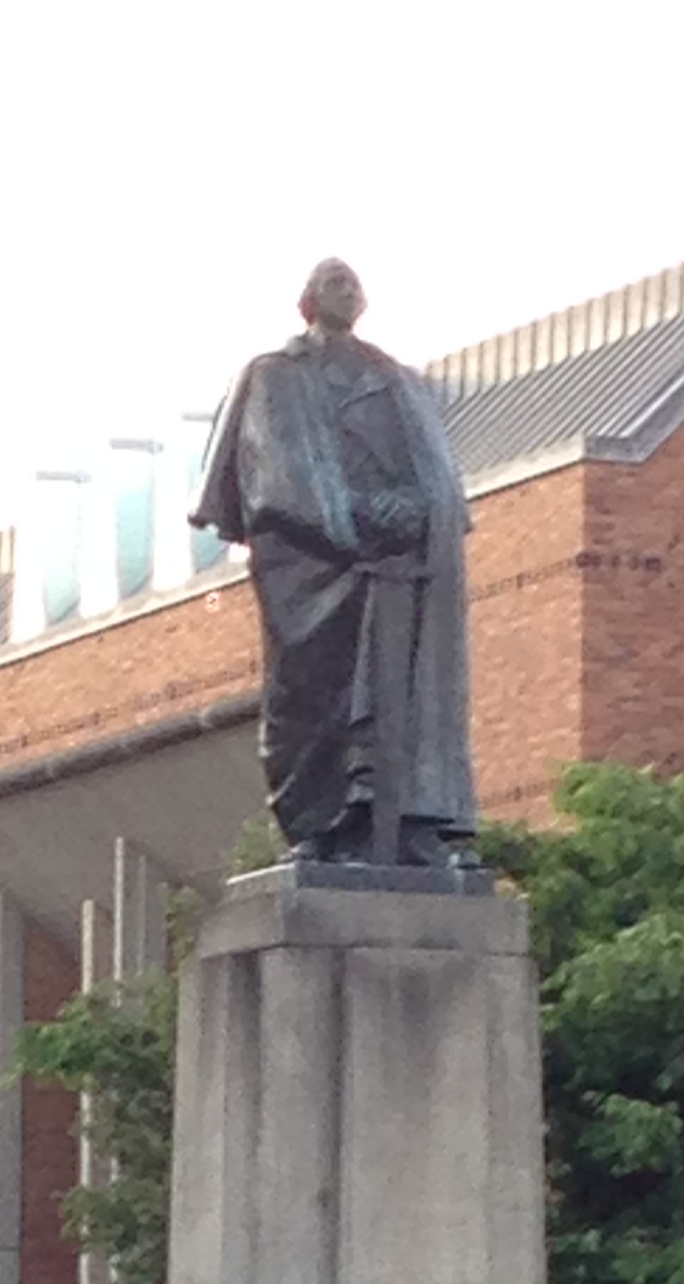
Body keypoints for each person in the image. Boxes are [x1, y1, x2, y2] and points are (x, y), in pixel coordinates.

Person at [193, 258, 478, 867]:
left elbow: (437, 474)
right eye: (333, 283)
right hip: (315, 568)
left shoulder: (398, 382)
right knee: (312, 692)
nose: (346, 291)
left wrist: (420, 512)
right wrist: (355, 518)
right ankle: (319, 824)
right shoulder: (274, 375)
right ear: (307, 302)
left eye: (353, 283)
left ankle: (401, 822)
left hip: (400, 563)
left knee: (400, 693)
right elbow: (273, 472)